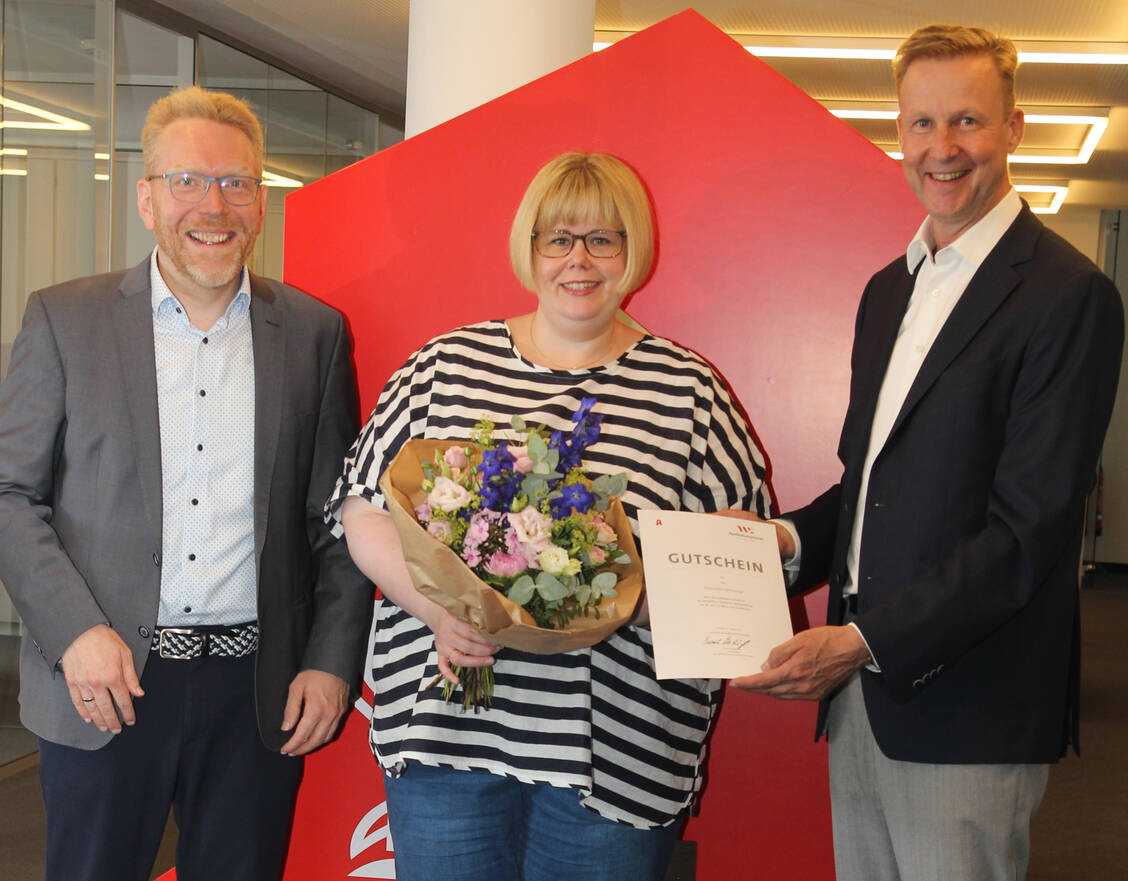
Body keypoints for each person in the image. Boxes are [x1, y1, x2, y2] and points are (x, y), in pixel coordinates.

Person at [727, 24, 1124, 881]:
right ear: (898, 132)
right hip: (859, 700)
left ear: (1013, 127)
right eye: (920, 123)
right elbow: (868, 485)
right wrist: (777, 543)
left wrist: (861, 639)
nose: (942, 148)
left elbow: (1028, 531)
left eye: (967, 121)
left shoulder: (1069, 295)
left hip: (970, 704)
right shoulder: (888, 290)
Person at [326, 151, 772, 881]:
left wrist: (616, 602)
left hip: (617, 757)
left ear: (633, 251)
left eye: (602, 239)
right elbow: (363, 511)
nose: (578, 260)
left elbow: (737, 561)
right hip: (449, 737)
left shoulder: (689, 392)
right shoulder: (444, 364)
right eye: (558, 238)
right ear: (529, 248)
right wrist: (441, 611)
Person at [0, 86, 371, 881]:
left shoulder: (314, 334)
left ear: (260, 202)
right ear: (147, 198)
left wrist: (331, 659)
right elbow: (10, 495)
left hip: (256, 692)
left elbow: (338, 520)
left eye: (236, 182)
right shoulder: (65, 321)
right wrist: (74, 630)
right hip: (105, 683)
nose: (213, 205)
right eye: (187, 181)